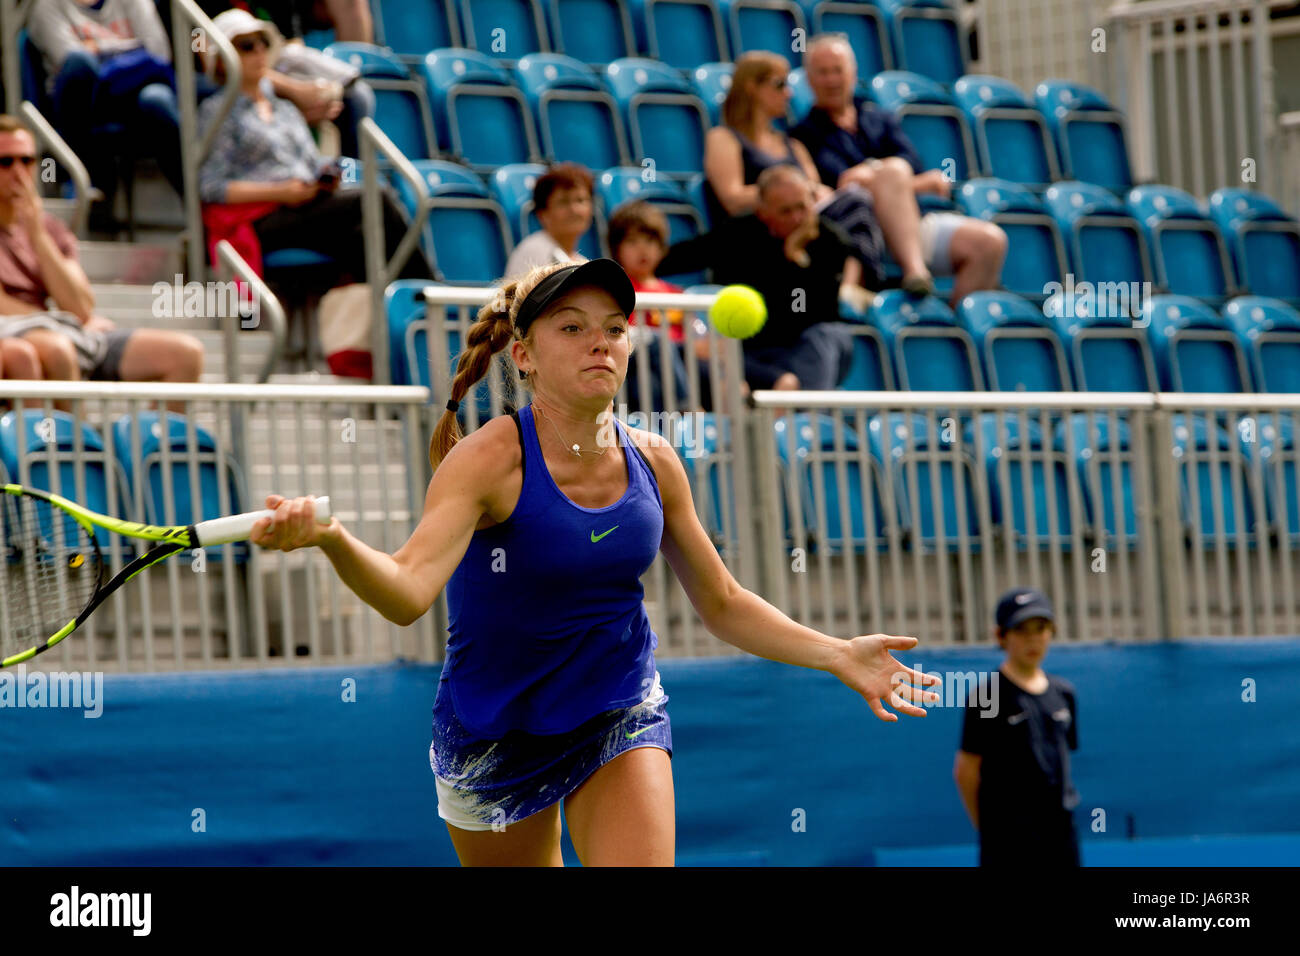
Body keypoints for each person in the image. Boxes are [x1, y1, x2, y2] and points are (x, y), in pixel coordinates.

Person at [249, 257, 941, 866]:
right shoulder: (490, 458)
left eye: (613, 327)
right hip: (494, 729)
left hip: (618, 706)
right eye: (572, 327)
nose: (599, 343)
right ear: (522, 354)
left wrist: (837, 654)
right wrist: (332, 538)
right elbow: (407, 592)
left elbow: (723, 602)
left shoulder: (657, 462)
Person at [197, 9, 431, 285]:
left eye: (263, 42)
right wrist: (281, 192)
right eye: (247, 45)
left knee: (363, 240)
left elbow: (310, 162)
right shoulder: (216, 112)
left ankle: (404, 310)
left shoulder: (284, 108)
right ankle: (430, 293)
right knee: (373, 199)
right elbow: (211, 187)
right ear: (223, 60)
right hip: (259, 217)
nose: (259, 51)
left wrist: (323, 178)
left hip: (300, 208)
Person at [791, 34, 1007, 306]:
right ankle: (915, 272)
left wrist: (880, 177)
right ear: (809, 79)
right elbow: (840, 187)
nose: (832, 80)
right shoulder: (802, 136)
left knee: (990, 242)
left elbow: (911, 165)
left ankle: (951, 332)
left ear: (853, 73)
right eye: (823, 72)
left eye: (838, 70)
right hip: (858, 234)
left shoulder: (878, 117)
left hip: (910, 221)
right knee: (894, 171)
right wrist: (893, 177)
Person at [0, 115, 203, 404]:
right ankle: (77, 447)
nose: (19, 172)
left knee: (185, 354)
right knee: (58, 349)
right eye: (6, 162)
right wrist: (60, 322)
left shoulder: (50, 229)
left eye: (27, 160)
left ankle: (149, 445)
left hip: (69, 331)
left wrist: (37, 236)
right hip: (35, 334)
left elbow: (80, 306)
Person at [657, 165, 861, 393]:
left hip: (804, 346)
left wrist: (796, 261)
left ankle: (806, 420)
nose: (796, 218)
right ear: (763, 211)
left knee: (826, 336)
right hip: (751, 349)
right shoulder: (739, 234)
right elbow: (685, 256)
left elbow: (806, 312)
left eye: (802, 207)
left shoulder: (829, 242)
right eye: (786, 211)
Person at [953, 587, 1082, 867]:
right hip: (1009, 841)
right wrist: (991, 829)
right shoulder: (987, 696)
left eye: (1041, 628)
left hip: (1061, 836)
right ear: (1001, 636)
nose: (1033, 639)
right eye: (1021, 630)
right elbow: (966, 771)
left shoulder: (1064, 693)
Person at [28, 0, 184, 223]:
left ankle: (197, 205)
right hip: (79, 100)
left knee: (158, 100)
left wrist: (99, 49)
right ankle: (77, 177)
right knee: (80, 65)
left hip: (131, 93)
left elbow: (159, 52)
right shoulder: (47, 6)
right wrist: (131, 50)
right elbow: (69, 60)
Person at [607, 200, 708, 413]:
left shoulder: (677, 294)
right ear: (617, 249)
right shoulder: (616, 291)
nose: (642, 249)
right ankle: (687, 413)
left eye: (650, 241)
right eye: (632, 242)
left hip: (683, 366)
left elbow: (698, 339)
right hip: (636, 371)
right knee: (649, 376)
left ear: (661, 248)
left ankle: (721, 436)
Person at [503, 163, 594, 278]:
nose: (574, 210)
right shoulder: (532, 254)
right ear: (543, 214)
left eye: (580, 200)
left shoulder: (582, 261)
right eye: (563, 202)